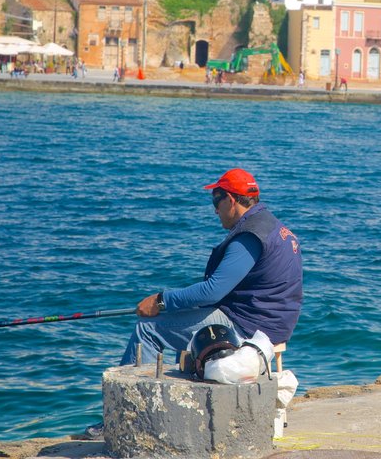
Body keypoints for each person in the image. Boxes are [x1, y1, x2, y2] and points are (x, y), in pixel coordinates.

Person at [85, 168, 303, 438]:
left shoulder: (249, 236)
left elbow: (213, 290)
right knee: (185, 324)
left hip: (250, 327)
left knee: (148, 328)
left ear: (231, 200)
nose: (215, 210)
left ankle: (124, 420)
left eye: (216, 200)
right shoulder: (273, 225)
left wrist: (162, 300)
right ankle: (171, 412)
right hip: (272, 322)